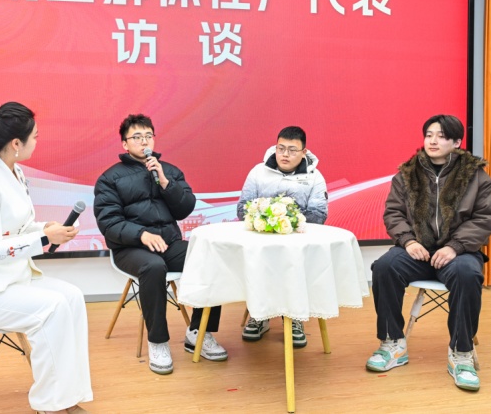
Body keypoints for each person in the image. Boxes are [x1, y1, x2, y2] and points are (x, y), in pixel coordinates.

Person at [0, 102, 92, 414]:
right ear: (16, 143)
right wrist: (44, 239)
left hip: (12, 277)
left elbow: (19, 227)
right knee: (52, 308)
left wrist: (47, 228)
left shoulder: (16, 173)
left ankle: (67, 396)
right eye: (34, 137)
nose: (37, 142)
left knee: (73, 298)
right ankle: (49, 405)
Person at [366, 115, 491, 392]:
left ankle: (460, 353)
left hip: (459, 252)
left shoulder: (476, 177)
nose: (433, 141)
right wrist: (408, 241)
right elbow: (393, 213)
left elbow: (485, 218)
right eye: (429, 135)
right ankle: (392, 343)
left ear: (457, 142)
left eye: (441, 136)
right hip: (418, 250)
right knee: (385, 267)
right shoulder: (407, 174)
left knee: (467, 274)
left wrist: (455, 246)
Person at [94, 114, 227, 375]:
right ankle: (157, 341)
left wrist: (165, 182)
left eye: (148, 136)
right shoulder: (110, 178)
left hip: (168, 243)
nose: (144, 141)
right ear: (124, 144)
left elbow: (185, 209)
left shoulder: (169, 171)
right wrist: (141, 234)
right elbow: (108, 222)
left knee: (209, 257)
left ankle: (199, 333)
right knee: (154, 267)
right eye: (137, 137)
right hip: (130, 247)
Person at [236, 126, 329, 347]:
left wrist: (286, 217)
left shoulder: (314, 177)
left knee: (295, 265)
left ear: (304, 152)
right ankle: (259, 315)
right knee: (258, 264)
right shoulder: (258, 172)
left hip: (298, 244)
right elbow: (242, 209)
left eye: (292, 150)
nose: (285, 154)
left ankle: (295, 317)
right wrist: (269, 218)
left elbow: (319, 215)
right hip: (262, 242)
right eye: (281, 148)